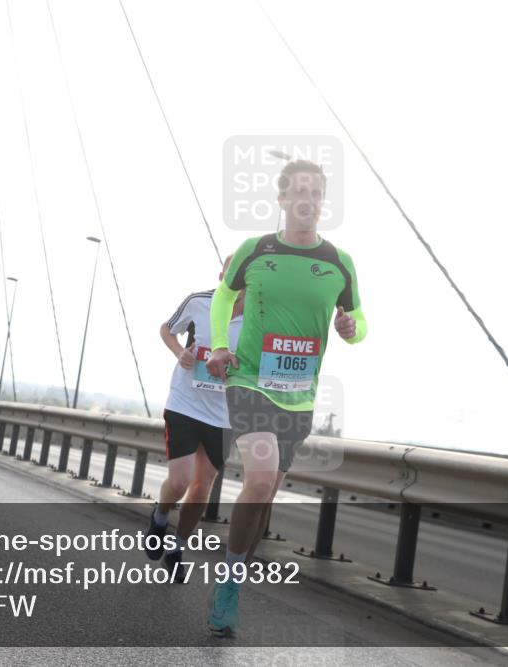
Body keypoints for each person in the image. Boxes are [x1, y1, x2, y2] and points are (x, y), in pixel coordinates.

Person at [205, 160, 368, 636]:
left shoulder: (339, 262)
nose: (308, 201)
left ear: (323, 201)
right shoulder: (255, 251)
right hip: (250, 380)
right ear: (281, 200)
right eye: (299, 192)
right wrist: (219, 345)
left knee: (267, 491)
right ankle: (231, 585)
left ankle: (233, 573)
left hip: (298, 396)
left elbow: (359, 323)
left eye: (316, 193)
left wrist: (351, 328)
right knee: (258, 482)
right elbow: (221, 298)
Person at [144, 258, 244, 581]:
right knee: (180, 481)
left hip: (223, 414)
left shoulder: (259, 318)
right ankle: (159, 516)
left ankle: (177, 545)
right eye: (232, 272)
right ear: (222, 275)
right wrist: (180, 352)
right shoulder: (199, 301)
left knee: (202, 488)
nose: (237, 279)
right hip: (185, 402)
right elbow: (166, 329)